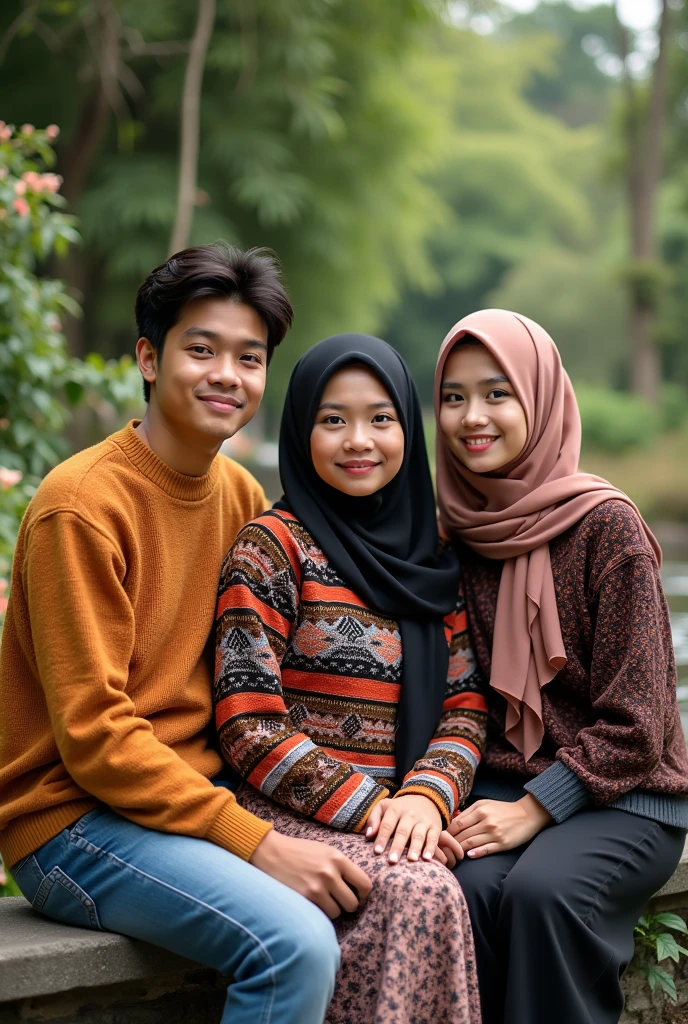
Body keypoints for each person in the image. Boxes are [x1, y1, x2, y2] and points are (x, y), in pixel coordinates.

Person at [0, 244, 374, 1024]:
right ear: (147, 356)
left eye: (249, 357)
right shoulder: (82, 505)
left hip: (190, 800)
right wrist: (258, 844)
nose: (225, 376)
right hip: (74, 822)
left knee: (394, 887)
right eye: (200, 349)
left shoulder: (238, 493)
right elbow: (95, 736)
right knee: (294, 944)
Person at [214, 333, 486, 1024]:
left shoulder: (433, 554)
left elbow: (465, 705)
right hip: (287, 810)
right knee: (421, 890)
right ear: (300, 429)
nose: (358, 440)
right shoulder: (272, 547)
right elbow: (248, 723)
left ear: (407, 427)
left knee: (447, 885)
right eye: (333, 420)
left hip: (403, 811)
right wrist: (371, 808)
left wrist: (425, 797)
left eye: (381, 418)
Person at [433, 308, 688, 1024]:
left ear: (540, 398)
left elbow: (640, 722)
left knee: (547, 894)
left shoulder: (608, 527)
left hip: (628, 796)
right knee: (458, 888)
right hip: (502, 782)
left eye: (496, 394)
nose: (471, 417)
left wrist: (534, 810)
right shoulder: (454, 531)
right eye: (453, 398)